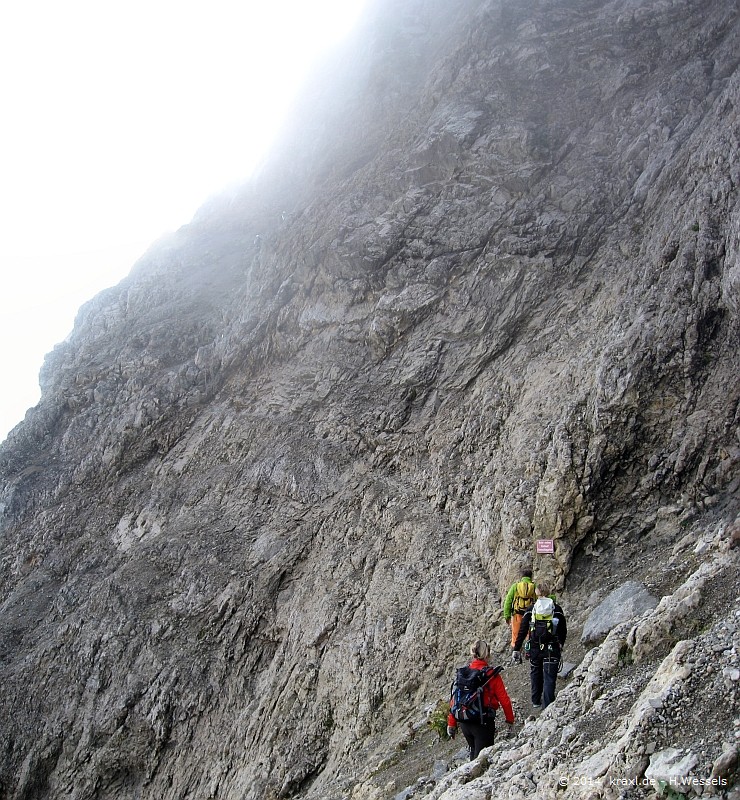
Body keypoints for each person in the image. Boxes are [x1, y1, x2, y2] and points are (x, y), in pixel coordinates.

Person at [447, 640, 515, 760]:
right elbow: (504, 700)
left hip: (464, 721)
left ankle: (470, 776)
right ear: (487, 654)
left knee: (474, 751)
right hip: (482, 722)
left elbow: (455, 699)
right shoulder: (491, 675)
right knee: (482, 760)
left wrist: (451, 724)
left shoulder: (464, 673)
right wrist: (509, 720)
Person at [512, 583, 567, 710]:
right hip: (552, 648)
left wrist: (516, 648)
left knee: (535, 672)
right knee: (549, 676)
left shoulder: (531, 609)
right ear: (548, 593)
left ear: (536, 594)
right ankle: (547, 706)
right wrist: (561, 644)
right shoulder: (556, 609)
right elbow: (563, 630)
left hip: (535, 648)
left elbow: (523, 630)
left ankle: (536, 701)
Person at [502, 569, 537, 647]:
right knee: (530, 636)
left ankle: (516, 654)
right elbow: (539, 600)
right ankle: (530, 653)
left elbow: (508, 601)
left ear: (522, 577)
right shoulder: (534, 586)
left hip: (517, 615)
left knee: (516, 637)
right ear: (531, 577)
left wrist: (507, 616)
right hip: (530, 616)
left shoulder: (515, 586)